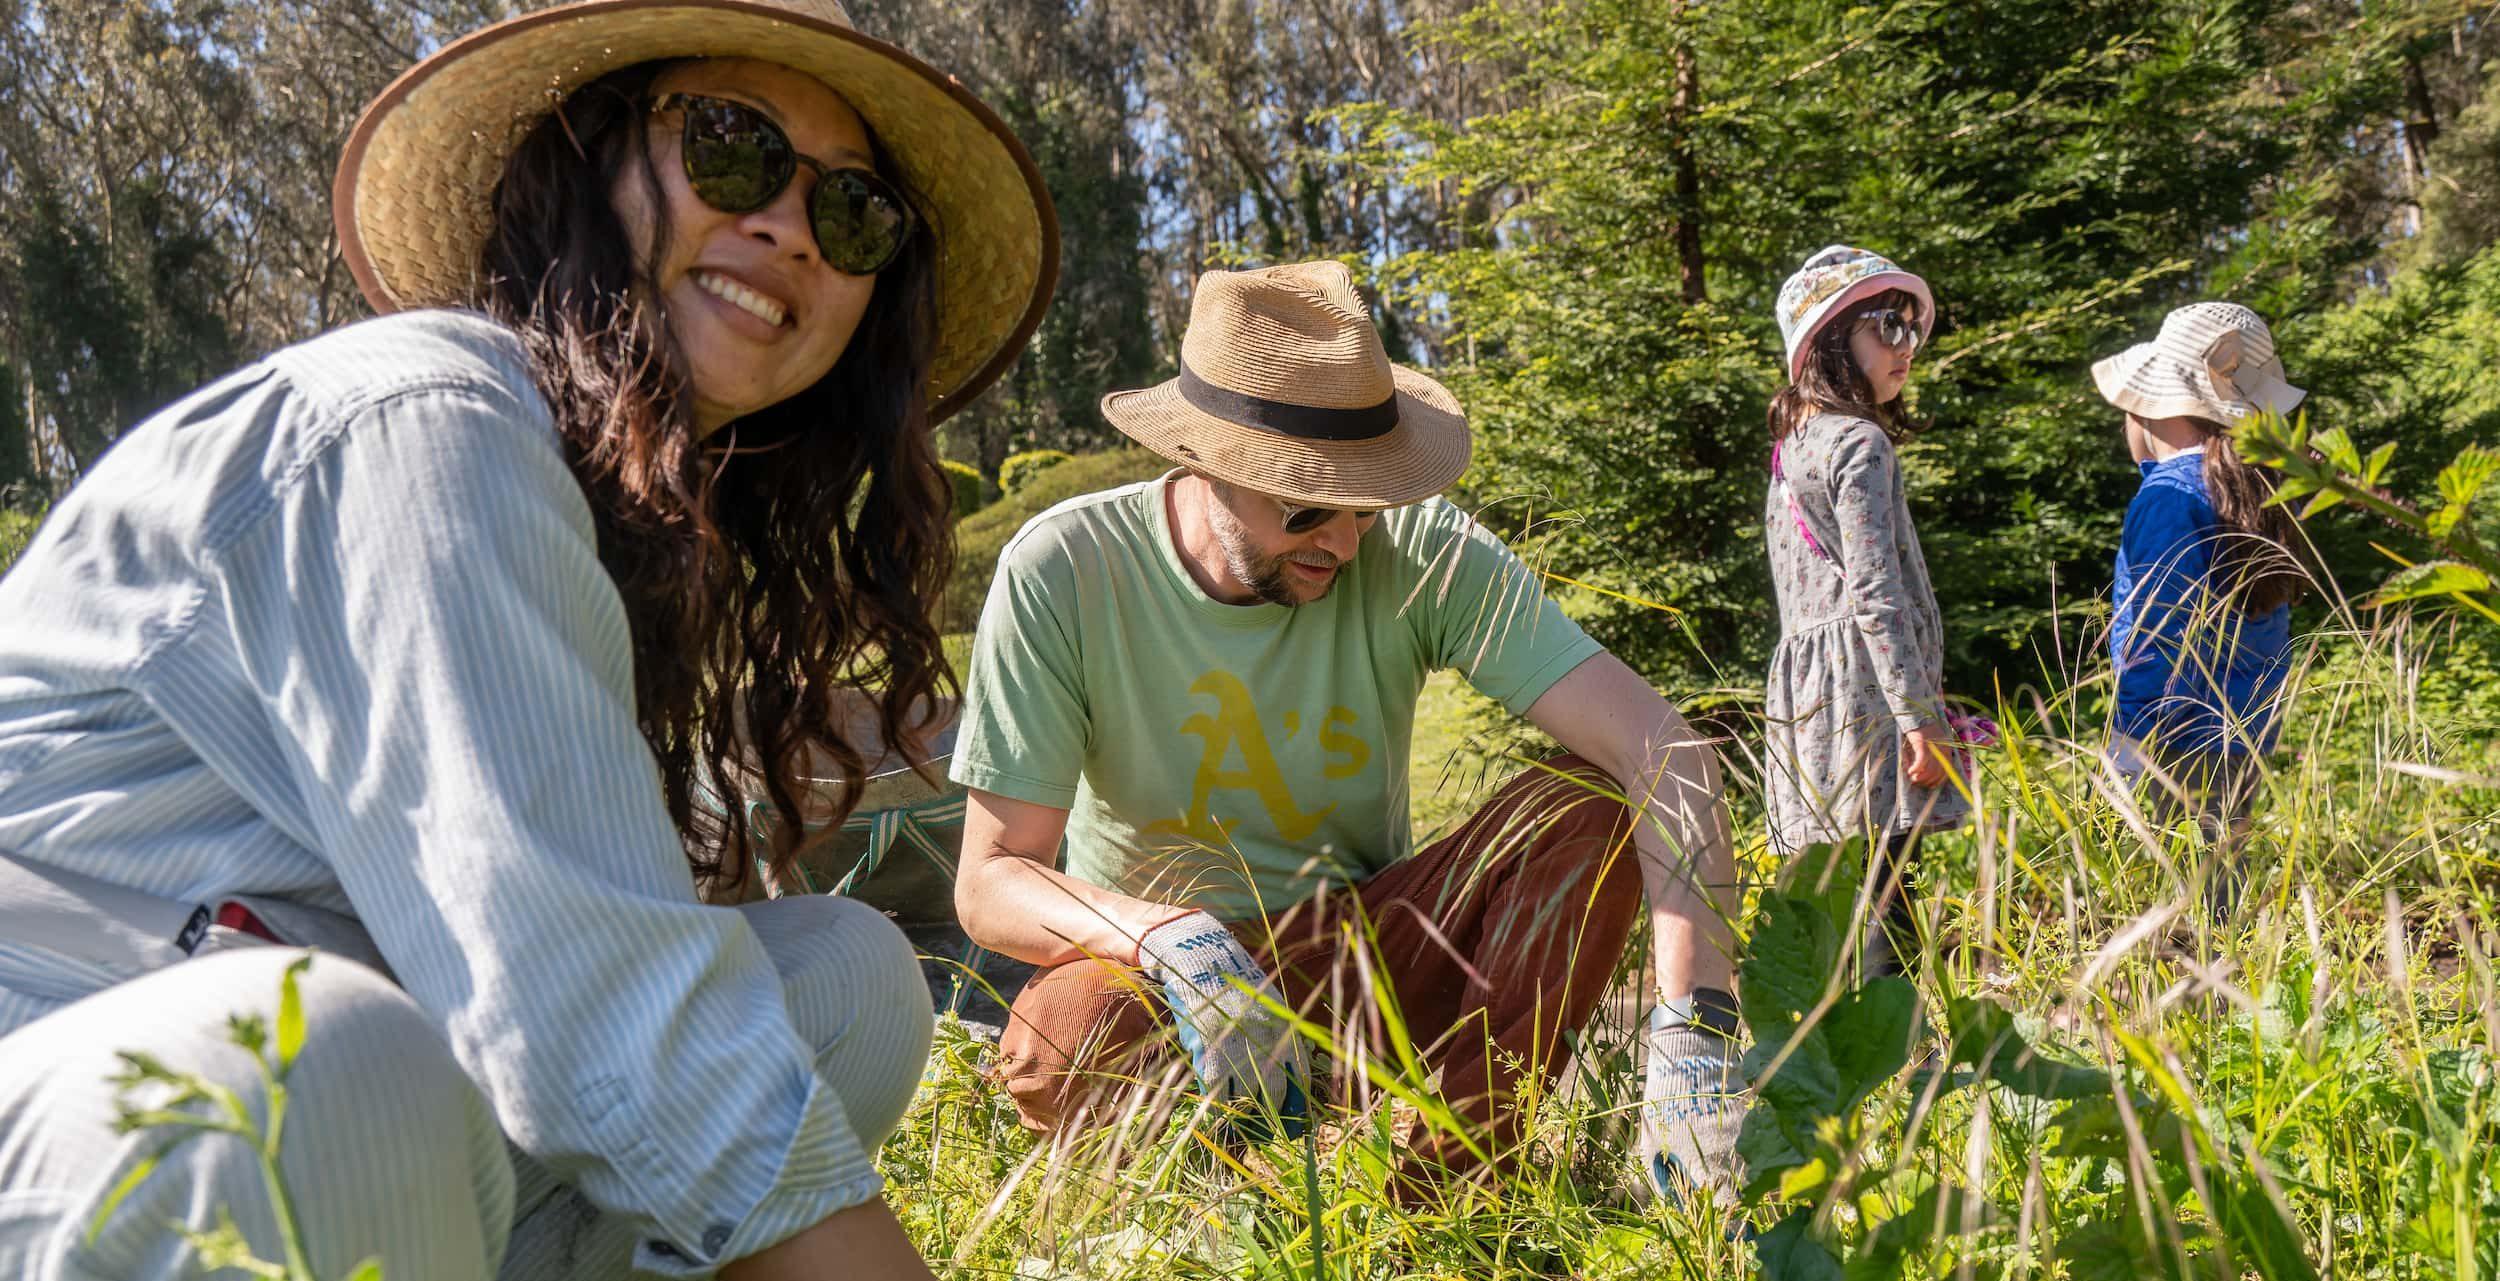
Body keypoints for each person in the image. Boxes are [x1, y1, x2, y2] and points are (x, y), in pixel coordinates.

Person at [0, 0, 1056, 1273]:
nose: (788, 226)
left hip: (362, 1080)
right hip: (80, 1065)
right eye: (732, 147)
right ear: (582, 158)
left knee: (847, 974)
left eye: (854, 213)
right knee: (307, 1060)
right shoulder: (418, 420)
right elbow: (591, 1001)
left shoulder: (622, 541)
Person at [946, 260, 1748, 1208]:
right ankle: (1222, 1182)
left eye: (1367, 502)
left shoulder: (1424, 553)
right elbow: (993, 879)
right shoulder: (1066, 569)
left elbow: (1665, 748)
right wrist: (1170, 938)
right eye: (1305, 508)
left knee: (1588, 805)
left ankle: (1448, 1186)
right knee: (1057, 1050)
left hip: (1376, 942)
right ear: (1206, 464)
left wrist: (1697, 1025)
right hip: (1163, 971)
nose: (1345, 541)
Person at [1761, 245, 1972, 977]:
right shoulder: (1861, 443)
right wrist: (1919, 716)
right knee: (1886, 889)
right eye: (1888, 325)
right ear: (1828, 343)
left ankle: (1842, 1057)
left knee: (1842, 891)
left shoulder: (1791, 451)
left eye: (1912, 329)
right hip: (1870, 695)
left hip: (1811, 701)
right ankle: (1906, 1063)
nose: (1905, 347)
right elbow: (1875, 593)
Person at [2091, 302, 2305, 905]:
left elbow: (2156, 632)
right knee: (2219, 884)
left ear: (2148, 409)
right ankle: (2234, 993)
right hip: (2248, 730)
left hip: (2177, 737)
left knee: (2175, 897)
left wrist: (2129, 745)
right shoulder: (2255, 489)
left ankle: (2199, 999)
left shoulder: (2166, 497)